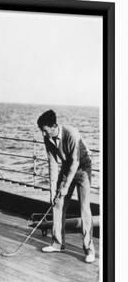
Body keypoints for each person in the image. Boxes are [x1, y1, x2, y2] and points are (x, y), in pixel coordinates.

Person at [37, 110, 95, 263]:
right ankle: (57, 243)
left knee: (84, 208)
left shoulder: (71, 133)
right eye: (41, 131)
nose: (43, 134)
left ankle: (89, 250)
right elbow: (52, 164)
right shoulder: (47, 138)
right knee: (58, 205)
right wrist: (53, 192)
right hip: (66, 169)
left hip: (83, 169)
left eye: (44, 130)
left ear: (54, 126)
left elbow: (75, 162)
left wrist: (65, 187)